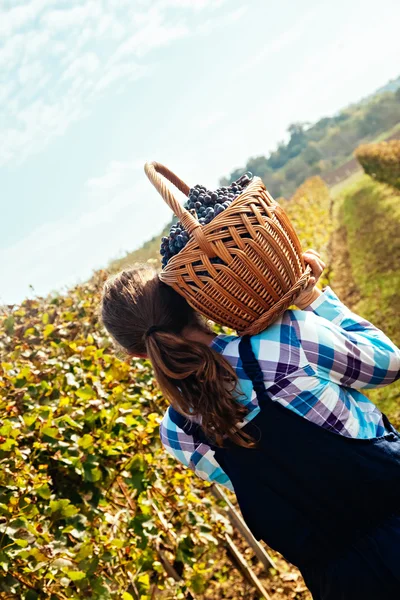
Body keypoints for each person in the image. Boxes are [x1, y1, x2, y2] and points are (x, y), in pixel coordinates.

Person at [100, 249, 400, 600]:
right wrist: (311, 297)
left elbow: (280, 485)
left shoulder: (178, 433)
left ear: (138, 354)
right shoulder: (286, 338)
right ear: (194, 303)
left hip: (344, 583)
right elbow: (389, 364)